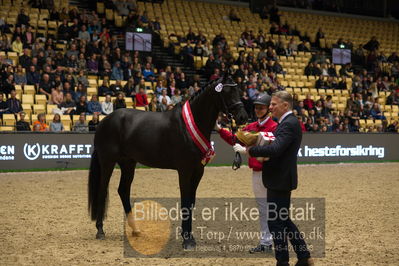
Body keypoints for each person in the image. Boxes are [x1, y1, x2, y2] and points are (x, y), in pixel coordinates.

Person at [234, 91, 313, 266]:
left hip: (280, 179)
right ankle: (303, 256)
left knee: (276, 222)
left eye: (273, 104)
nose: (270, 107)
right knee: (282, 219)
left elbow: (276, 149)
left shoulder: (288, 124)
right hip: (280, 178)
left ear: (285, 105)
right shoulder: (287, 123)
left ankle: (283, 261)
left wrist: (250, 150)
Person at [215, 94, 277, 253]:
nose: (258, 110)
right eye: (256, 107)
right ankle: (266, 242)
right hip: (256, 173)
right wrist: (219, 130)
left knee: (271, 208)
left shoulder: (274, 127)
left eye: (261, 107)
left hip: (269, 172)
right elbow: (235, 139)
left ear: (268, 109)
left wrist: (246, 150)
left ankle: (270, 240)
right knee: (263, 208)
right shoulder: (252, 126)